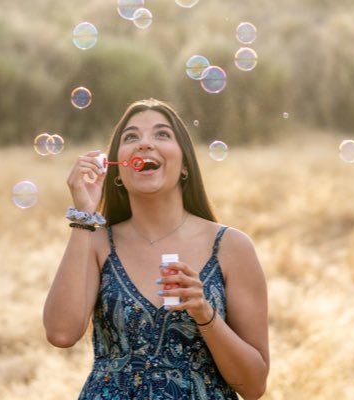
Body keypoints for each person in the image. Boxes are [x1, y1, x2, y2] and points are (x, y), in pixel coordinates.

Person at [43, 98, 269, 400]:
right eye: (131, 137)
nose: (144, 144)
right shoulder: (95, 243)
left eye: (161, 134)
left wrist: (204, 313)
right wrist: (83, 217)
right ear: (118, 171)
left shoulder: (231, 247)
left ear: (185, 164)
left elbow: (253, 387)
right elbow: (61, 334)